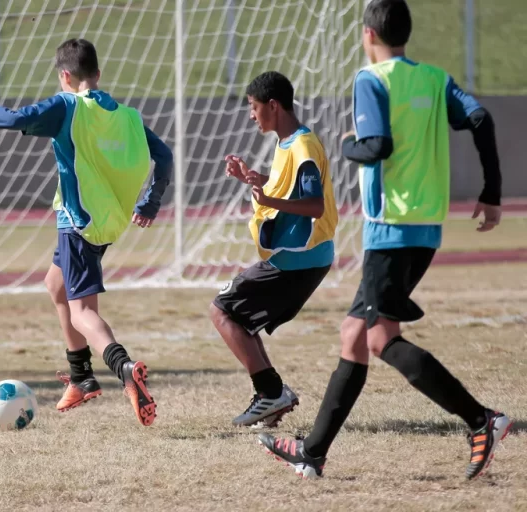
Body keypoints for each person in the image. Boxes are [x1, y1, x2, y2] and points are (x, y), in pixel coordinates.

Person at [259, 0, 511, 478]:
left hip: (391, 229)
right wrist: (492, 192)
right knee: (354, 334)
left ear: (367, 35)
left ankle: (482, 420)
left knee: (378, 338)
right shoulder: (435, 79)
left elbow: (378, 147)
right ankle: (311, 453)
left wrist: (347, 145)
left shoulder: (370, 80)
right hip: (424, 226)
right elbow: (480, 119)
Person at [0, 38, 173, 427]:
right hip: (107, 221)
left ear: (65, 75)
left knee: (82, 312)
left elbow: (12, 118)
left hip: (79, 223)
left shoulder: (67, 106)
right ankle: (81, 377)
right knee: (55, 285)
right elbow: (164, 156)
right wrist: (151, 200)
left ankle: (124, 368)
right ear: (98, 74)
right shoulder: (127, 115)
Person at [211, 71, 338, 428]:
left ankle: (270, 394)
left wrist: (270, 199)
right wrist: (255, 179)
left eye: (253, 108)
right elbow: (290, 190)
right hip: (295, 257)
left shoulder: (302, 146)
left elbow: (314, 206)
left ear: (273, 105)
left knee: (221, 311)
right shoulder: (287, 143)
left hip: (300, 259)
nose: (251, 115)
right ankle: (272, 393)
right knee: (239, 318)